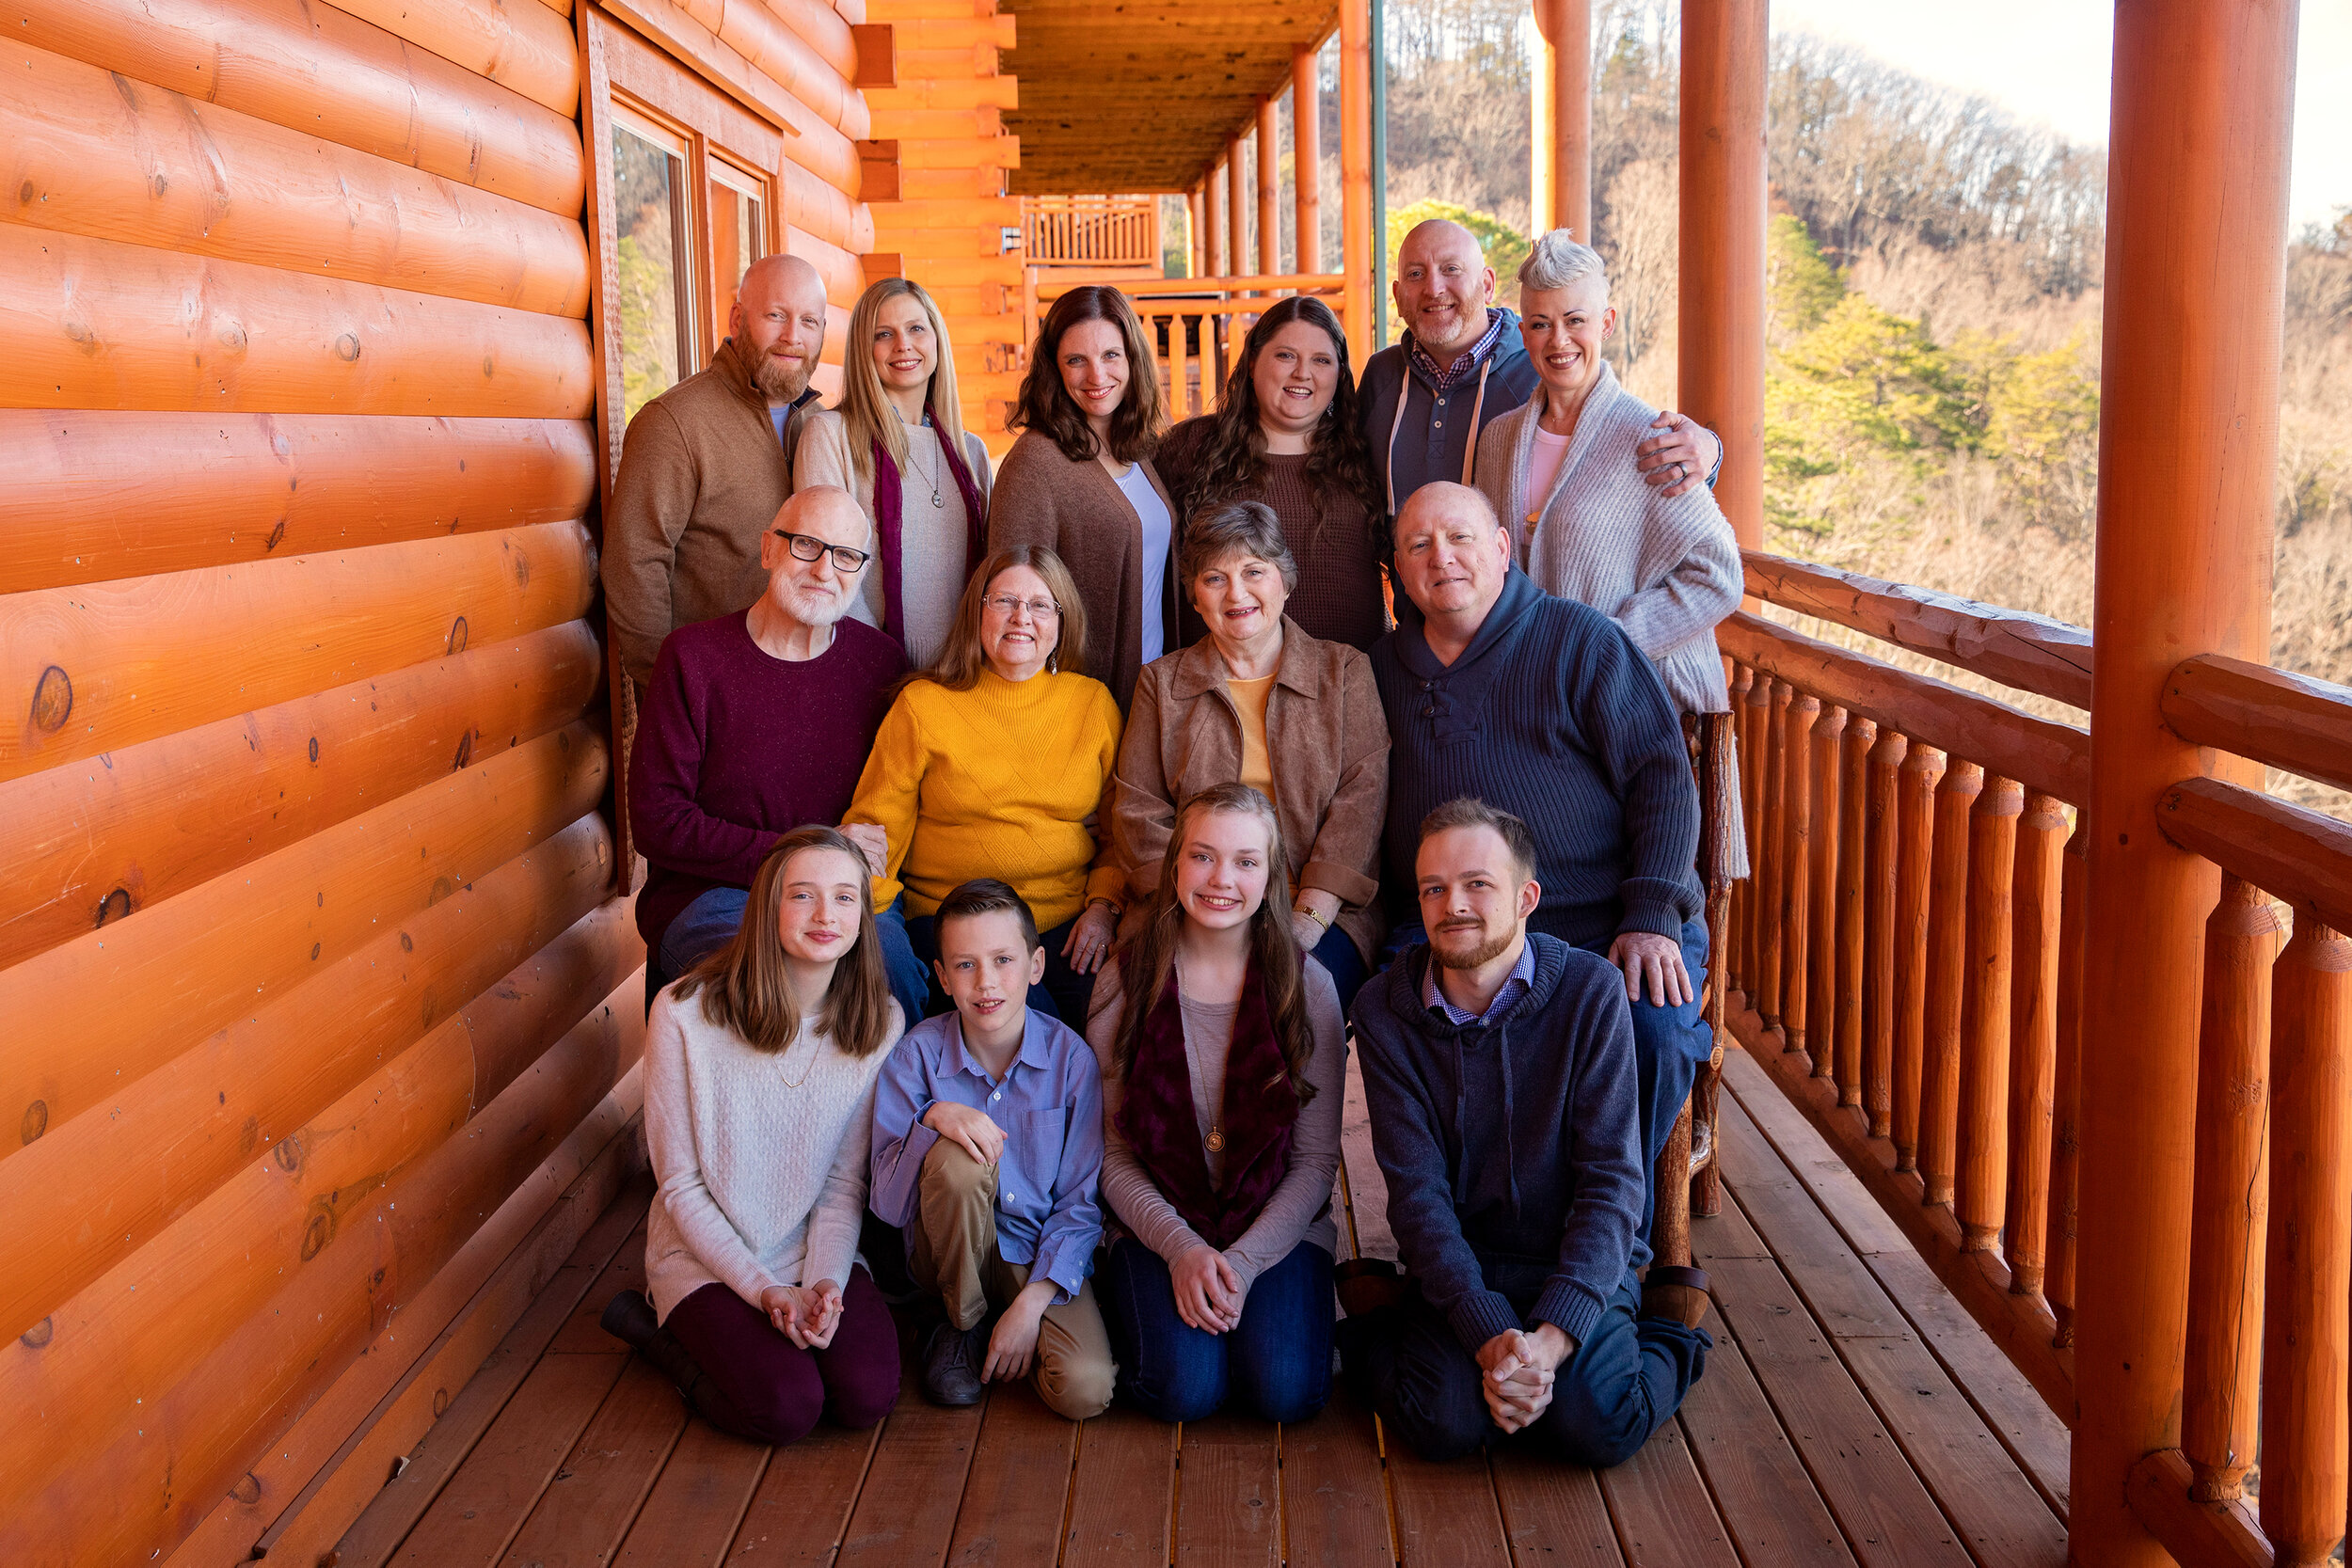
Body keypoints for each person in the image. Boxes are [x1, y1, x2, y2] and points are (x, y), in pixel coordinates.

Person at [1373, 482, 1709, 1238]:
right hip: (1456, 931)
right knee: (1406, 1021)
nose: (1442, 558)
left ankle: (1607, 1248)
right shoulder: (1382, 671)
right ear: (1396, 570)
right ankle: (1473, 1249)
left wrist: (1652, 913)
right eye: (1418, 545)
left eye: (1460, 538)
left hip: (1607, 923)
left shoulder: (1581, 641)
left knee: (1650, 1027)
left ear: (1501, 547)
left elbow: (1663, 776)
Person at [1341, 799, 1711, 1465]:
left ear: (1526, 896)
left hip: (1573, 1255)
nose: (1453, 903)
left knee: (1596, 1425)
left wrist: (1551, 1339)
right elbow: (1417, 1195)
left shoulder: (1590, 992)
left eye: (1478, 883)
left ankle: (1669, 1328)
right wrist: (1487, 1334)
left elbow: (1612, 1183)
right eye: (1434, 888)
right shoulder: (1385, 1011)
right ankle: (1381, 1317)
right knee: (1444, 1424)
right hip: (1465, 1261)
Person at [598, 827, 907, 1446]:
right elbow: (680, 1186)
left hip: (809, 1245)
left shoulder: (878, 1023)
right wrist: (763, 1289)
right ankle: (660, 1338)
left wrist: (823, 1282)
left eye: (846, 897)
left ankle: (789, 1313)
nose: (827, 915)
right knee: (786, 1408)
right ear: (767, 905)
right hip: (703, 1253)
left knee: (865, 1395)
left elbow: (844, 1184)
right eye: (803, 895)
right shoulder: (684, 1013)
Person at [1088, 784, 1347, 1425]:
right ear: (1175, 862)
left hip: (1273, 1230)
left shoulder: (1306, 986)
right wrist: (1180, 1249)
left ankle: (1278, 1325)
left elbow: (1315, 1165)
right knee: (1185, 1390)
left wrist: (1244, 1261)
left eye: (1246, 861)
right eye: (1203, 856)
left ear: (1273, 876)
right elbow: (1112, 1153)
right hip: (1160, 1221)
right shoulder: (1126, 979)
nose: (1221, 879)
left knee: (1284, 1391)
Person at [628, 485, 930, 1028]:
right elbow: (658, 822)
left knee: (892, 979)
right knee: (762, 987)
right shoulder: (692, 659)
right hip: (716, 896)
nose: (823, 570)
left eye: (845, 556)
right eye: (806, 545)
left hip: (840, 897)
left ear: (861, 572)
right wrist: (803, 855)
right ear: (769, 549)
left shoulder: (880, 666)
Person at [1108, 502, 1389, 1009]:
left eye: (1253, 571)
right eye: (1214, 578)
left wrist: (1304, 923)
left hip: (1319, 908)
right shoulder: (1161, 683)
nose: (1236, 593)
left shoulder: (1345, 671)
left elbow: (1361, 807)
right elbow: (1138, 811)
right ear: (1194, 598)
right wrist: (1200, 914)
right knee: (1150, 1006)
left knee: (1286, 1003)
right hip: (1188, 904)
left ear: (1285, 581)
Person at [846, 546, 1125, 1024]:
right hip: (953, 921)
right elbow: (876, 832)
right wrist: (873, 928)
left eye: (1041, 605)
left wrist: (1103, 905)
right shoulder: (923, 705)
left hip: (1062, 925)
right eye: (1004, 601)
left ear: (1062, 621)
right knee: (1032, 1030)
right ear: (978, 611)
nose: (1022, 617)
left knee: (1100, 1026)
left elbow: (1122, 831)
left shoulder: (1093, 703)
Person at [868, 879, 1115, 1417]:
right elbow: (887, 1205)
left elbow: (1080, 1202)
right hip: (942, 1258)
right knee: (959, 1157)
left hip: (1035, 1248)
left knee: (1085, 1390)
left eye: (1003, 959)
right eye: (965, 965)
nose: (986, 983)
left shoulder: (1072, 1062)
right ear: (941, 976)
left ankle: (1004, 1318)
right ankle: (959, 1324)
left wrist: (1031, 1305)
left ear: (1036, 966)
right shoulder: (916, 1057)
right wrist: (933, 1118)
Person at [1473, 231, 1742, 722]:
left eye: (1575, 320)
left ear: (1607, 323)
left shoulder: (1650, 438)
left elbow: (1720, 576)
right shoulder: (1497, 441)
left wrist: (1607, 644)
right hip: (1536, 702)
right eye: (1540, 323)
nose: (1559, 340)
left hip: (1639, 702)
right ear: (1523, 331)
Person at [1358, 218, 1720, 520]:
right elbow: (1346, 478)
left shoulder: (1545, 370)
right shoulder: (1381, 376)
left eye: (1451, 269)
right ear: (1397, 294)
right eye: (1416, 274)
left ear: (1487, 285)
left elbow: (1623, 433)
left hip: (1528, 605)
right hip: (1407, 606)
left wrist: (1709, 449)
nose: (1434, 288)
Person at [606, 253, 834, 692]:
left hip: (805, 688)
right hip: (708, 701)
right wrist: (673, 691)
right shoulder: (674, 422)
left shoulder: (822, 427)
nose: (793, 336)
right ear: (737, 318)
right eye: (776, 315)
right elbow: (633, 564)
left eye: (810, 321)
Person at [1151, 297, 1390, 650]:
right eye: (1285, 355)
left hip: (1346, 683)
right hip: (1219, 688)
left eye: (1321, 360)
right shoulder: (1190, 447)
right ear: (1251, 362)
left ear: (1339, 375)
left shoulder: (1367, 453)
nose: (1302, 373)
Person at [989, 285, 1178, 710]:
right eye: (1076, 360)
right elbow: (1009, 599)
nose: (1097, 376)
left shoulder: (1142, 449)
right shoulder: (1035, 462)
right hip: (1082, 702)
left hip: (1155, 687)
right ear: (1055, 369)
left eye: (1111, 355)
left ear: (1133, 360)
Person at [796, 277, 995, 668]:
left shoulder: (971, 452)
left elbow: (990, 568)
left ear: (936, 337)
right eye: (883, 334)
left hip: (965, 671)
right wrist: (881, 665)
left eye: (916, 328)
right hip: (869, 668)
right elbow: (828, 572)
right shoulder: (831, 435)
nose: (903, 344)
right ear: (863, 349)